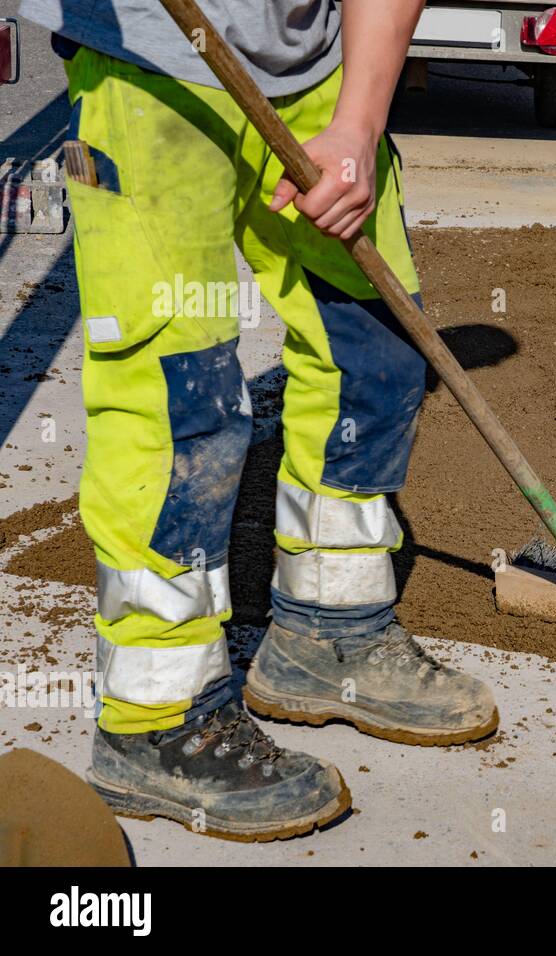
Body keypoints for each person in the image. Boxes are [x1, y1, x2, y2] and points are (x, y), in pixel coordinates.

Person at [17, 0, 499, 841]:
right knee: (180, 402)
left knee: (374, 351)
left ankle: (329, 633)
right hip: (147, 70)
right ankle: (157, 720)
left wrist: (359, 121)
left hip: (316, 71)